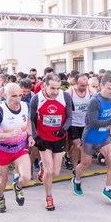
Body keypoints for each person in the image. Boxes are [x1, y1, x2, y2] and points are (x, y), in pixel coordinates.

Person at [71, 73, 111, 202]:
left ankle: (107, 189)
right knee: (85, 163)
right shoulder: (94, 101)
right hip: (90, 137)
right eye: (109, 88)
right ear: (101, 86)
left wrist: (110, 125)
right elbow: (93, 122)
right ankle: (76, 179)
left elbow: (107, 115)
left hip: (105, 137)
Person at [0, 83, 33, 213]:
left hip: (20, 148)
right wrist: (8, 134)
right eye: (13, 96)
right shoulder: (0, 110)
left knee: (26, 178)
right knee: (2, 181)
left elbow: (28, 121)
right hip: (3, 149)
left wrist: (30, 135)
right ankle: (0, 197)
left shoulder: (25, 106)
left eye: (20, 95)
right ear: (5, 95)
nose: (17, 99)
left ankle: (17, 187)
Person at [30, 73, 72, 211]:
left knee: (56, 172)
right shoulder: (36, 99)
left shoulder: (65, 96)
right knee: (49, 171)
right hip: (43, 139)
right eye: (52, 88)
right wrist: (36, 137)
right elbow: (31, 120)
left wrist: (64, 129)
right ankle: (49, 197)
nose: (55, 92)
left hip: (58, 138)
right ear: (44, 86)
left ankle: (43, 168)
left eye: (57, 88)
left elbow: (70, 117)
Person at [66, 74, 91, 172]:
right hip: (73, 123)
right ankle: (75, 168)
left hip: (85, 123)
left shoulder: (90, 91)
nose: (84, 87)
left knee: (81, 146)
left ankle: (68, 155)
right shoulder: (70, 92)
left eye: (86, 85)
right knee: (77, 145)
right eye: (82, 85)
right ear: (76, 84)